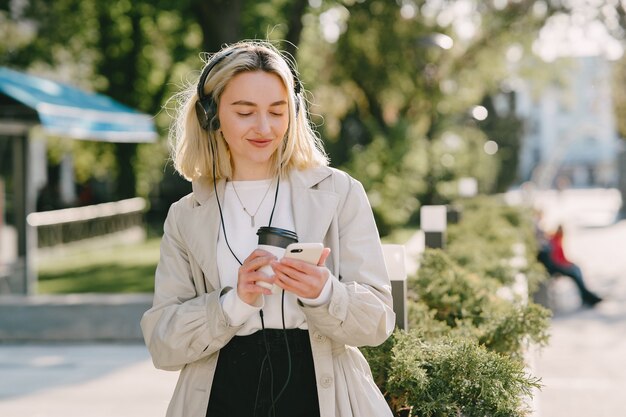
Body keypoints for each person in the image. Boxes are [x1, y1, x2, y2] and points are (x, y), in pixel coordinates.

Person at [141, 40, 395, 417]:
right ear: (212, 115)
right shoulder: (186, 215)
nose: (264, 127)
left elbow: (379, 321)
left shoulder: (339, 193)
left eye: (277, 112)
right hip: (220, 394)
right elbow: (163, 344)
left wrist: (324, 291)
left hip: (320, 392)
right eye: (245, 112)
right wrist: (233, 302)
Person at [537, 223, 602, 307]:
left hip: (559, 265)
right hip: (557, 267)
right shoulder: (554, 240)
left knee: (577, 271)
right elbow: (557, 259)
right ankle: (588, 297)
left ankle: (587, 296)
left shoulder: (556, 239)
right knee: (575, 274)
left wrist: (570, 263)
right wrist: (567, 265)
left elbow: (562, 257)